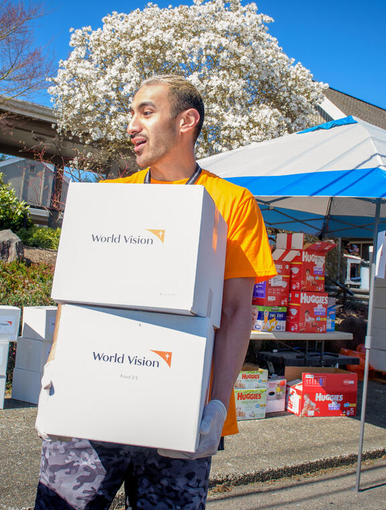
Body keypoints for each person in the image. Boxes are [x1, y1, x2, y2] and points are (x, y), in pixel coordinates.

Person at [34, 75, 277, 509]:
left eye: (146, 112)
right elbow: (75, 295)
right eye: (131, 113)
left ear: (186, 121)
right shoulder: (106, 198)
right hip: (92, 405)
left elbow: (239, 310)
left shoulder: (232, 202)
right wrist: (56, 367)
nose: (131, 124)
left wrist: (218, 404)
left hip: (182, 416)